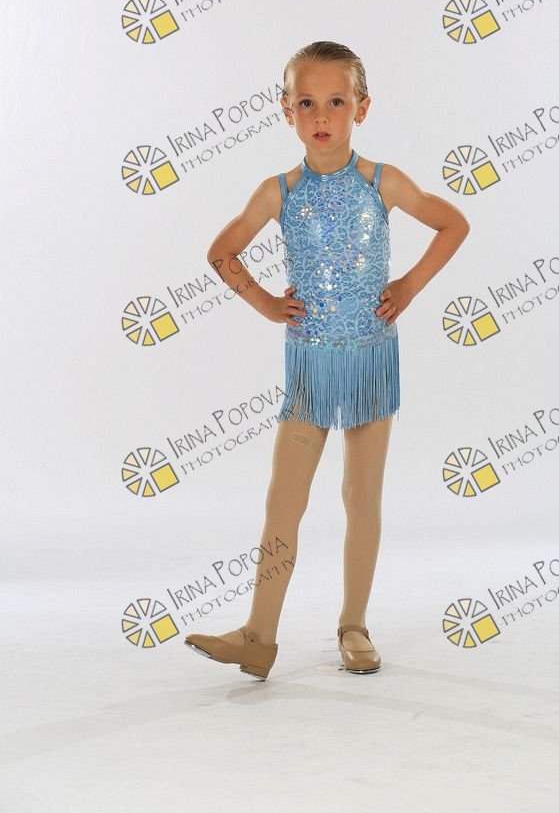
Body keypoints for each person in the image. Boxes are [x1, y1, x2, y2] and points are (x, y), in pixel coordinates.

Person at [184, 40, 471, 680]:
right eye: (307, 103)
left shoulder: (381, 181)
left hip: (370, 361)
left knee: (360, 496)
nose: (321, 115)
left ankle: (354, 625)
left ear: (361, 108)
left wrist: (409, 286)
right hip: (310, 366)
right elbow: (222, 251)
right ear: (286, 110)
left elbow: (452, 223)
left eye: (336, 102)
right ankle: (259, 635)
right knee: (283, 500)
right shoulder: (278, 192)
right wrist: (264, 302)